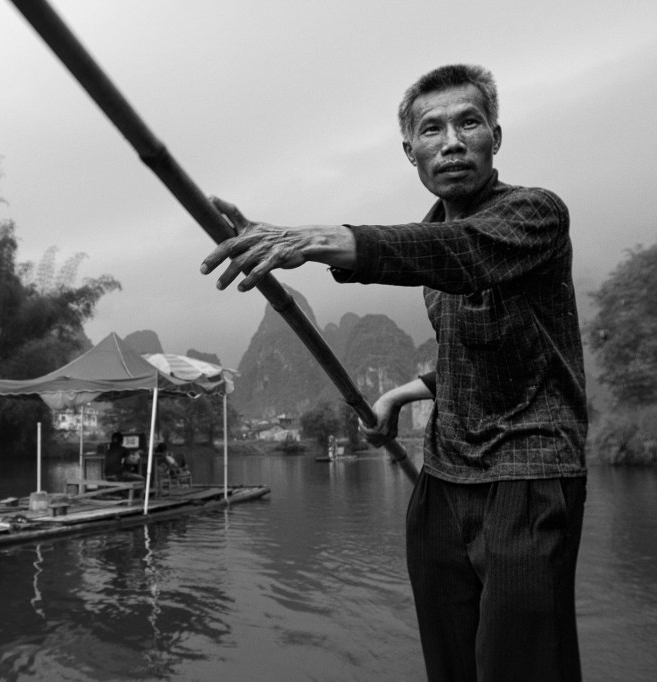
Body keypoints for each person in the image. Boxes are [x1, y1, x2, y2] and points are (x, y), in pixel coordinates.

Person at [200, 64, 587, 682]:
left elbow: (462, 255)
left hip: (530, 472)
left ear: (496, 136)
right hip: (443, 478)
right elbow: (470, 345)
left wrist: (312, 240)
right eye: (432, 129)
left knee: (521, 667)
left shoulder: (533, 216)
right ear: (410, 151)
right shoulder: (432, 236)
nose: (452, 140)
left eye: (469, 122)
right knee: (451, 664)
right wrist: (403, 394)